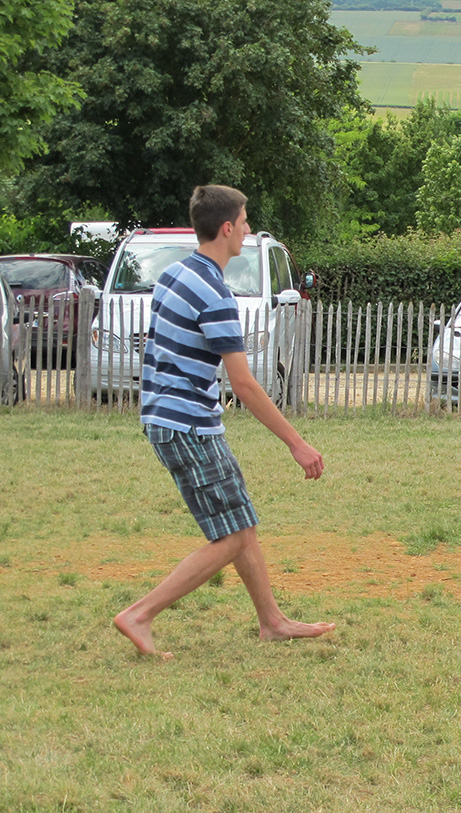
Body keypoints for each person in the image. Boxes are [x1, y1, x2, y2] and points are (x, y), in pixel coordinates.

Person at [113, 185, 335, 659]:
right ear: (228, 227)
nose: (249, 229)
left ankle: (272, 622)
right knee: (232, 535)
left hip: (169, 418)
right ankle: (140, 614)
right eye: (246, 221)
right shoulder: (215, 295)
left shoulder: (174, 275)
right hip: (188, 425)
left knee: (241, 524)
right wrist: (296, 443)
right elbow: (245, 385)